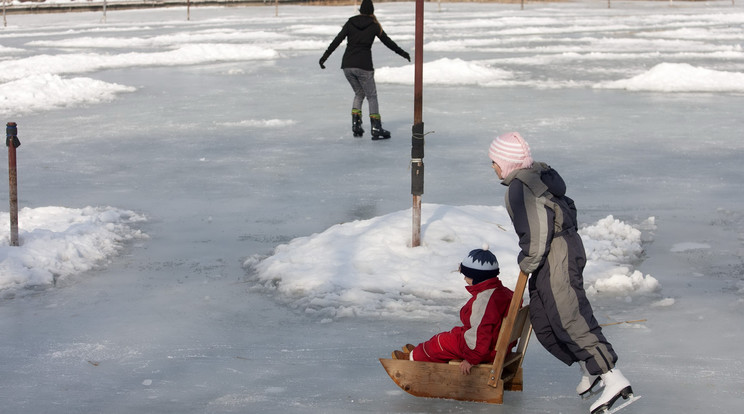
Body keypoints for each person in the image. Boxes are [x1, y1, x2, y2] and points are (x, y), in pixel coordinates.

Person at [488, 132, 634, 413]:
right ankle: (589, 367)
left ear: (506, 162)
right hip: (555, 251)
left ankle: (612, 376)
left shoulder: (521, 187)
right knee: (544, 321)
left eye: (494, 161)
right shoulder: (538, 176)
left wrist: (529, 259)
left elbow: (539, 228)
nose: (493, 167)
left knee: (569, 316)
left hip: (555, 254)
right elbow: (566, 208)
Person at [392, 245, 513, 376]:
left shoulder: (485, 300)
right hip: (495, 345)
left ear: (478, 278)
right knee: (452, 334)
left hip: (483, 349)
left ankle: (413, 358)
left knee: (441, 342)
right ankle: (421, 352)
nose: (465, 279)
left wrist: (472, 359)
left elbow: (481, 331)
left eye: (467, 276)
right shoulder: (502, 293)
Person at [319, 0, 410, 140]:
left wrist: (324, 57)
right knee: (371, 96)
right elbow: (388, 42)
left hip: (348, 66)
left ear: (360, 10)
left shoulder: (351, 22)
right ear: (372, 11)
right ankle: (376, 127)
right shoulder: (374, 25)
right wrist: (403, 53)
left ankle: (356, 125)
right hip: (364, 66)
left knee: (359, 93)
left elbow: (337, 41)